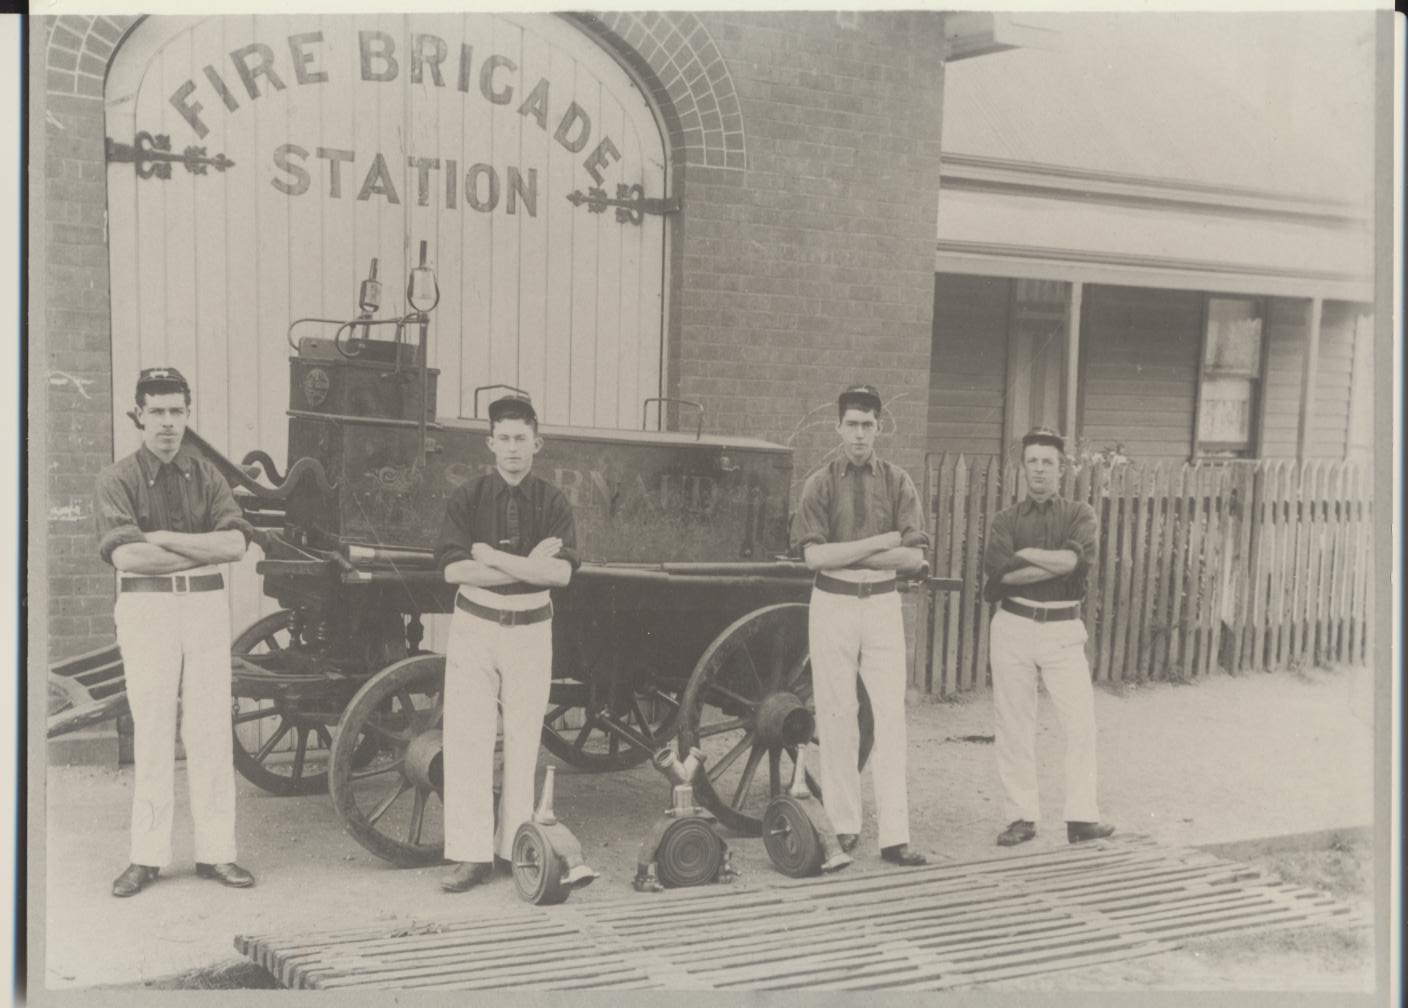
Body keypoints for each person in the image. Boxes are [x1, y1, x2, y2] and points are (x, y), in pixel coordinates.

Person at [94, 367, 255, 897]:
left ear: (188, 414)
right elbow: (126, 555)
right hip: (147, 612)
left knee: (209, 729)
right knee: (154, 729)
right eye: (157, 411)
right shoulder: (116, 479)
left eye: (177, 411)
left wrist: (161, 536)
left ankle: (217, 854)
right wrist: (193, 544)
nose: (167, 423)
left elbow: (234, 546)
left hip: (205, 609)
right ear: (138, 414)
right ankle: (146, 857)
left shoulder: (207, 477)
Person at [434, 392, 578, 891]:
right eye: (504, 439)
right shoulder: (467, 498)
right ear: (490, 443)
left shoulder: (553, 502)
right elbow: (455, 569)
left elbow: (558, 575)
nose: (513, 448)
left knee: (523, 740)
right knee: (468, 738)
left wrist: (491, 556)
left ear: (536, 444)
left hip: (532, 629)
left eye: (522, 439)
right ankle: (471, 855)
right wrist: (525, 565)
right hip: (475, 626)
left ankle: (513, 846)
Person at [792, 383, 930, 866]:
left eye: (867, 425)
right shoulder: (820, 483)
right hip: (832, 604)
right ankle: (843, 826)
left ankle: (896, 836)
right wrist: (880, 542)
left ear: (879, 428)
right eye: (851, 424)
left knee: (889, 718)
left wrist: (852, 551)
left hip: (882, 605)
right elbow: (814, 557)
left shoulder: (898, 482)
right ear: (837, 427)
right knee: (836, 714)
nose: (858, 434)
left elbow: (913, 557)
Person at [982, 425, 1116, 847]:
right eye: (1032, 462)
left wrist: (1022, 559)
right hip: (1014, 625)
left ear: (1061, 470)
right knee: (1014, 722)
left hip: (1062, 627)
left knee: (1080, 723)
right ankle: (1021, 817)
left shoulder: (1080, 514)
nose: (1039, 470)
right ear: (1022, 468)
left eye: (1048, 462)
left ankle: (1081, 818)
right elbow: (997, 573)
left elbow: (1075, 564)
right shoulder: (1005, 520)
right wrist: (1055, 562)